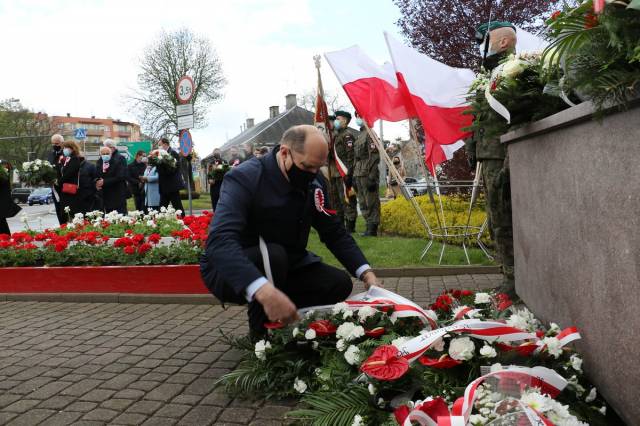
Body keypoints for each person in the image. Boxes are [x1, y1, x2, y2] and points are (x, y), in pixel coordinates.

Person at [200, 125, 379, 336]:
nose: (313, 176)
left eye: (318, 168)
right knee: (273, 257)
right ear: (285, 153)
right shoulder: (245, 178)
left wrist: (366, 273)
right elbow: (219, 241)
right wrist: (264, 291)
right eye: (307, 167)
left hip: (288, 262)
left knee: (337, 283)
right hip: (235, 268)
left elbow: (333, 232)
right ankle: (261, 339)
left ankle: (293, 324)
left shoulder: (315, 180)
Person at [465, 21, 517, 296]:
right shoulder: (490, 74)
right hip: (489, 155)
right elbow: (478, 117)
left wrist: (510, 156)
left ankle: (514, 279)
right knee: (496, 219)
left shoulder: (516, 71)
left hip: (503, 155)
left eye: (483, 41)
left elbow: (518, 116)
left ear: (503, 42)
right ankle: (508, 273)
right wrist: (472, 146)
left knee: (505, 218)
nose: (479, 47)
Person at [328, 110, 358, 232]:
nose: (336, 121)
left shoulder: (347, 135)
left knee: (347, 201)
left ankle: (350, 227)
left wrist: (349, 174)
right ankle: (340, 225)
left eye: (338, 119)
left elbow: (351, 156)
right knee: (338, 201)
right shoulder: (336, 136)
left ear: (344, 120)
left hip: (344, 173)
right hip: (336, 174)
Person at [353, 113, 381, 236]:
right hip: (358, 172)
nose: (358, 119)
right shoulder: (359, 135)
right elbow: (356, 157)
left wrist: (372, 176)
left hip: (368, 172)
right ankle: (367, 225)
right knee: (363, 201)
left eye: (360, 116)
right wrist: (353, 175)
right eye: (357, 116)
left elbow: (374, 156)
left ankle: (372, 228)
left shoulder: (370, 134)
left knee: (371, 201)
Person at [96, 146, 128, 214]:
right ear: (100, 155)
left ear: (111, 154)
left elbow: (120, 176)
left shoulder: (117, 162)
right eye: (103, 154)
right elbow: (96, 176)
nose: (105, 155)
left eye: (107, 153)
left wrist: (104, 181)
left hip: (117, 194)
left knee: (120, 215)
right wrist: (96, 183)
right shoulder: (99, 163)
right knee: (109, 215)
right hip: (105, 195)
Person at [157, 137, 185, 213]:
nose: (159, 147)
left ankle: (184, 221)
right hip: (164, 186)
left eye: (160, 145)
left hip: (172, 186)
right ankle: (160, 222)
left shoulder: (173, 153)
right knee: (162, 207)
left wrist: (162, 167)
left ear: (165, 144)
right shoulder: (160, 154)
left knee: (177, 206)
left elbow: (174, 168)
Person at [57, 141, 83, 220]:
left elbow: (69, 174)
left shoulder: (75, 159)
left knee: (71, 211)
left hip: (71, 189)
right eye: (63, 148)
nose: (64, 150)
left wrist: (59, 181)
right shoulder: (67, 159)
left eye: (66, 148)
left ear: (72, 149)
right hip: (66, 189)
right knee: (66, 212)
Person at [48, 134, 66, 225]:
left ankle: (67, 225)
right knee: (58, 208)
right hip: (54, 187)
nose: (55, 145)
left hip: (64, 186)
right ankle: (61, 226)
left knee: (65, 209)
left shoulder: (66, 153)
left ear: (62, 143)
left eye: (57, 143)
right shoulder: (51, 154)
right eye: (53, 143)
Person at [0, 160, 20, 235]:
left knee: (2, 223)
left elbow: (5, 179)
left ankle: (6, 241)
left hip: (2, 200)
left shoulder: (3, 163)